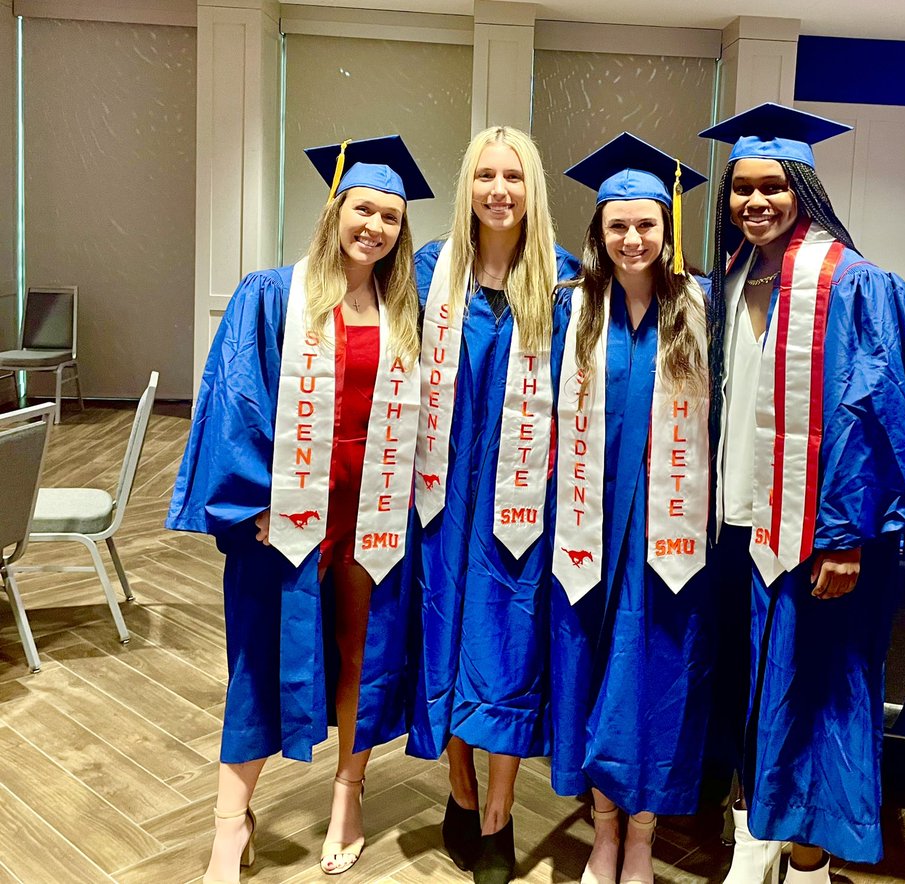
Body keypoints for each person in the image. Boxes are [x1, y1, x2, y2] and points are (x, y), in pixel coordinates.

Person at [699, 103, 905, 884]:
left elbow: (876, 414)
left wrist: (844, 534)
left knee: (817, 690)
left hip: (819, 538)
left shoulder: (856, 285)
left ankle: (809, 856)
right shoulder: (726, 282)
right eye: (741, 189)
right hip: (735, 524)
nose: (755, 201)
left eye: (773, 186)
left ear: (804, 189)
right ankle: (760, 830)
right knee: (753, 687)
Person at [167, 135, 431, 881]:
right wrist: (250, 499)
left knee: (363, 650)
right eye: (363, 209)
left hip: (372, 506)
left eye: (389, 216)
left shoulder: (404, 308)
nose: (374, 226)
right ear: (336, 210)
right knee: (258, 653)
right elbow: (236, 396)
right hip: (284, 507)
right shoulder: (273, 292)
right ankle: (231, 820)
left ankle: (349, 790)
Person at [408, 125, 579, 884]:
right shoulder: (427, 274)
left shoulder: (566, 285)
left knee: (509, 648)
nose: (499, 189)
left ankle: (502, 814)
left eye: (513, 175)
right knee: (442, 638)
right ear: (467, 187)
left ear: (531, 187)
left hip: (524, 505)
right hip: (439, 500)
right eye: (485, 175)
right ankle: (459, 789)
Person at [549, 133, 712, 884]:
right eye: (618, 225)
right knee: (587, 669)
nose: (633, 238)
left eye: (647, 224)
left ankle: (642, 833)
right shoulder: (571, 311)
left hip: (666, 534)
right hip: (585, 525)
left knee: (652, 676)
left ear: (667, 230)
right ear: (598, 232)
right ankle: (603, 830)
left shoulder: (699, 310)